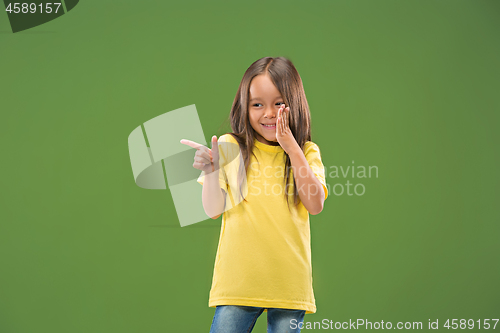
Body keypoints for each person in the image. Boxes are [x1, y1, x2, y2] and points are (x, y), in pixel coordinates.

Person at [180, 56, 328, 333]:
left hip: (289, 283)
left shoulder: (306, 151)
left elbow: (315, 203)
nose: (268, 113)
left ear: (294, 104)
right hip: (238, 281)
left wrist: (292, 148)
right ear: (244, 107)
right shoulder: (230, 145)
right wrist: (212, 172)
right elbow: (213, 209)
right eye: (257, 104)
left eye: (279, 103)